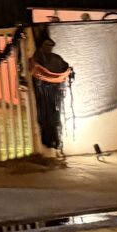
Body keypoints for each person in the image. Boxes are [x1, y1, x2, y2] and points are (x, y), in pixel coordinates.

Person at [30, 29, 74, 157]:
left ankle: (57, 142)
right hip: (44, 91)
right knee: (45, 115)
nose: (49, 48)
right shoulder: (38, 57)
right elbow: (36, 70)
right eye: (46, 45)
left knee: (56, 116)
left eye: (50, 46)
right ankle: (49, 142)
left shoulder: (56, 58)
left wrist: (67, 73)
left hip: (56, 91)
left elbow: (65, 67)